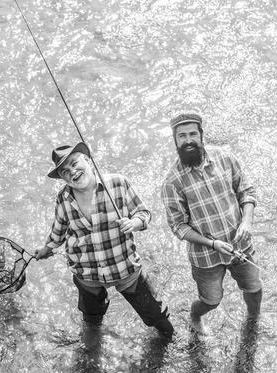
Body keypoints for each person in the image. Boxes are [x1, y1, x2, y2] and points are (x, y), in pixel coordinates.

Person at [34, 142, 174, 344]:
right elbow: (59, 230)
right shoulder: (63, 198)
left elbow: (144, 213)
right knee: (91, 318)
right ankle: (91, 349)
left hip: (125, 269)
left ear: (88, 159)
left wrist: (134, 223)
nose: (72, 172)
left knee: (154, 313)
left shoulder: (118, 183)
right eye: (65, 171)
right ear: (62, 177)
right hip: (87, 273)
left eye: (75, 163)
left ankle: (172, 341)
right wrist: (46, 248)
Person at [160, 112, 262, 335]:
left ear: (201, 135)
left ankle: (253, 321)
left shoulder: (226, 158)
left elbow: (246, 192)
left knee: (254, 288)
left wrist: (246, 222)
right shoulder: (171, 181)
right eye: (182, 136)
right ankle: (194, 317)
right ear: (175, 140)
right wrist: (213, 244)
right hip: (206, 257)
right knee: (211, 301)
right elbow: (179, 226)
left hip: (240, 245)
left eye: (193, 134)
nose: (188, 140)